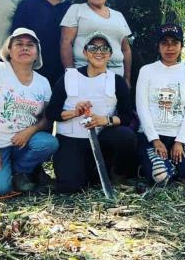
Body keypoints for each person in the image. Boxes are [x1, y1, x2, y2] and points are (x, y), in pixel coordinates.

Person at [0, 29, 59, 195]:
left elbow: (47, 118)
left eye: (30, 45)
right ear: (9, 50)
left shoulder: (43, 82)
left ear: (37, 53)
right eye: (19, 44)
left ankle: (19, 172)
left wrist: (31, 130)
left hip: (21, 143)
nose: (25, 48)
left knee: (48, 143)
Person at [46, 32, 136, 192]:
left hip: (101, 139)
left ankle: (116, 173)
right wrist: (74, 112)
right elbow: (51, 113)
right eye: (93, 47)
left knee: (126, 137)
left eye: (104, 48)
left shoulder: (117, 81)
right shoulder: (68, 77)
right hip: (71, 139)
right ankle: (87, 171)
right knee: (70, 187)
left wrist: (104, 120)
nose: (99, 52)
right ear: (85, 52)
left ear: (110, 54)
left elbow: (127, 117)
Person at [136, 24, 185, 185]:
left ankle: (175, 163)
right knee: (162, 178)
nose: (170, 48)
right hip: (152, 137)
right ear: (158, 47)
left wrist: (180, 141)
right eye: (165, 43)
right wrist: (155, 140)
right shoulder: (146, 71)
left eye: (175, 43)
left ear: (181, 46)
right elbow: (142, 107)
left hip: (178, 136)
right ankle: (157, 164)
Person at [60, 0, 132, 86]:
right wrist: (71, 75)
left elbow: (126, 49)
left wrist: (127, 78)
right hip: (84, 76)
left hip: (116, 78)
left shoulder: (118, 16)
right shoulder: (76, 10)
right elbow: (65, 42)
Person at [11, 0, 73, 87]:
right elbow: (16, 38)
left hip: (62, 76)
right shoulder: (28, 3)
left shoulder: (72, 9)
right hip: (30, 72)